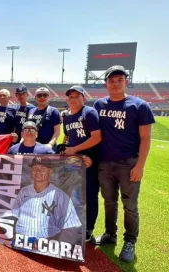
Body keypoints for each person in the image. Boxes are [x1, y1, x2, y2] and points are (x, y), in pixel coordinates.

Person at [93, 65, 155, 263]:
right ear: (106, 84)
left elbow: (146, 138)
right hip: (105, 162)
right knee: (109, 202)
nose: (115, 83)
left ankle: (130, 241)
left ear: (126, 81)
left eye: (119, 80)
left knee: (130, 205)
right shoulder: (99, 105)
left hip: (129, 163)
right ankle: (110, 234)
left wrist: (140, 166)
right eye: (111, 80)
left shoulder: (139, 105)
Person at [61, 85, 102, 243]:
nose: (73, 99)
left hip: (89, 161)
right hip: (73, 162)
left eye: (77, 96)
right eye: (70, 97)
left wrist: (75, 150)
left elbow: (97, 137)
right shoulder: (67, 117)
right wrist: (64, 149)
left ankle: (88, 228)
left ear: (84, 98)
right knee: (73, 194)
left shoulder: (89, 112)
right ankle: (74, 223)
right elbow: (68, 138)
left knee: (90, 195)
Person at [9, 157, 82, 240]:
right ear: (31, 171)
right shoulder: (23, 191)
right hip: (20, 241)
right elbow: (14, 216)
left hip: (46, 245)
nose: (38, 171)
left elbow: (71, 227)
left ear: (50, 172)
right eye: (35, 168)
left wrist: (51, 243)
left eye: (43, 169)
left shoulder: (61, 196)